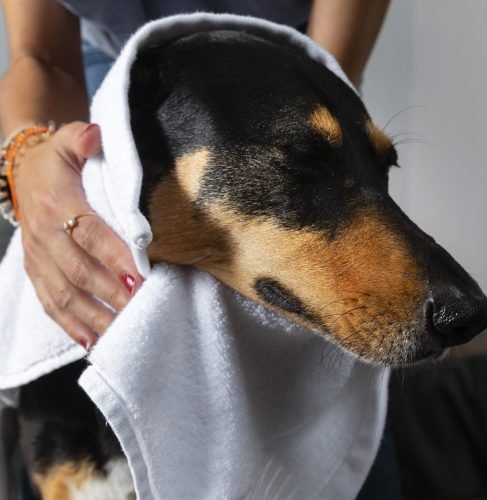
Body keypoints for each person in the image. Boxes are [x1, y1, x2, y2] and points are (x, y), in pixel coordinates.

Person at [0, 1, 396, 498]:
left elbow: (323, 71)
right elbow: (43, 57)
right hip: (98, 76)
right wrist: (25, 158)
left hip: (281, 75)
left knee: (323, 392)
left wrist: (304, 154)